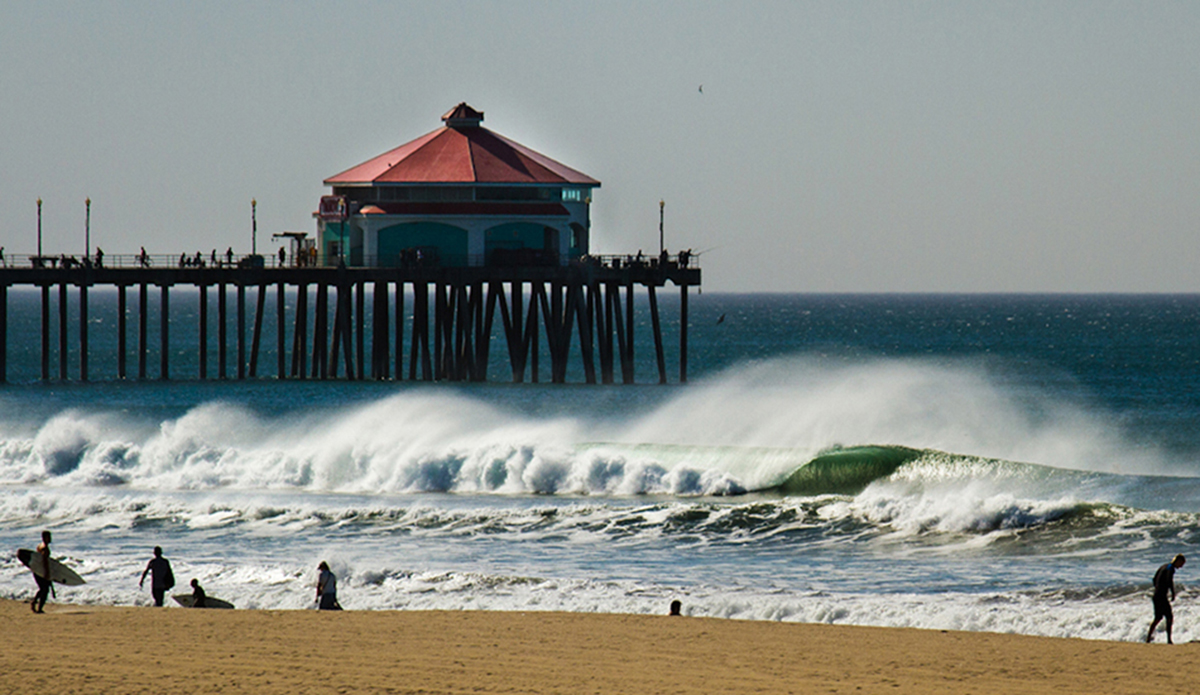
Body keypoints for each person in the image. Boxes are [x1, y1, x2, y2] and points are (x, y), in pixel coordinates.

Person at [1147, 554, 1186, 643]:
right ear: (1178, 561)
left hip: (1156, 595)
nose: (1181, 566)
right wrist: (1172, 592)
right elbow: (1169, 580)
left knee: (1158, 617)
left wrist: (1158, 588)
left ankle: (1148, 638)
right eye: (1182, 563)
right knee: (1169, 617)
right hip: (1161, 597)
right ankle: (1169, 640)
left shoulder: (1163, 566)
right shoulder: (1170, 568)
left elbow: (1154, 579)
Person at [31, 530, 53, 613]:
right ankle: (39, 608)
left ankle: (34, 602)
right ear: (44, 538)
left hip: (37, 570)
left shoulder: (39, 545)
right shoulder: (45, 548)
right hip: (42, 571)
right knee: (45, 590)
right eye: (49, 537)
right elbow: (44, 561)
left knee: (42, 588)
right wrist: (47, 573)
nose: (50, 539)